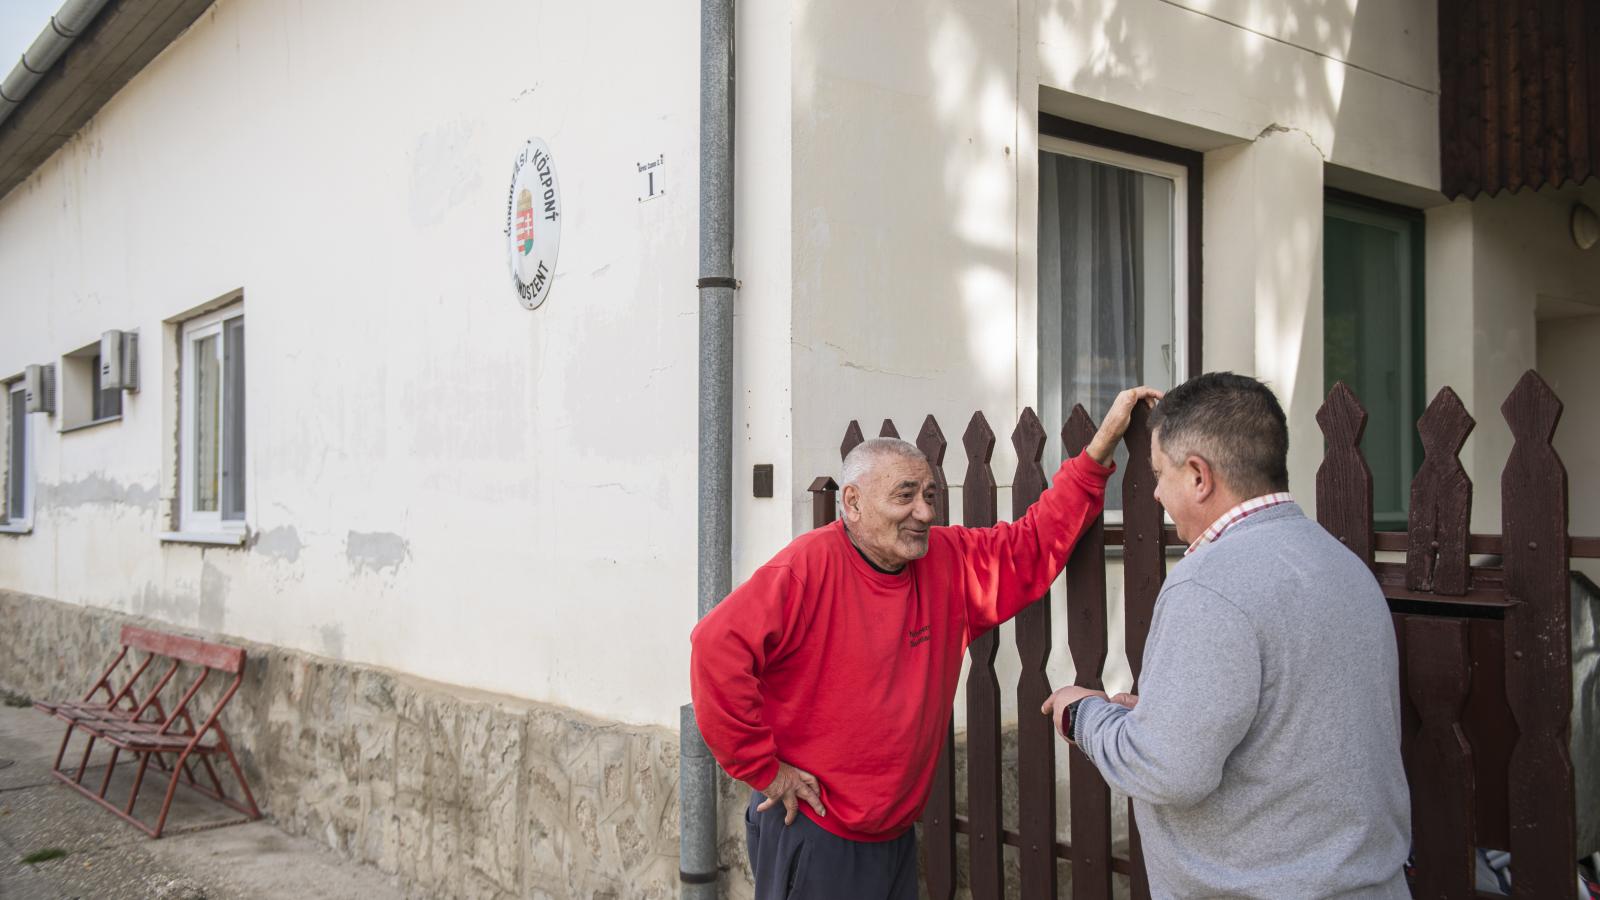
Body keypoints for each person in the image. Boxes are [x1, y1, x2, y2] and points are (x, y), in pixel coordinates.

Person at [690, 387, 1161, 900]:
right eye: (905, 495)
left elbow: (1032, 544)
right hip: (816, 830)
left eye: (930, 496)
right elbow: (715, 650)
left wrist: (1099, 449)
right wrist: (765, 769)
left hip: (892, 832)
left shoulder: (947, 560)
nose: (924, 512)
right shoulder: (807, 567)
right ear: (852, 502)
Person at [1041, 372, 1410, 899]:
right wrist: (1161, 716)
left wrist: (1084, 714)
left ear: (1198, 476)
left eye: (1157, 472)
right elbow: (1287, 720)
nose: (1154, 491)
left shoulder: (1209, 584)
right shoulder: (1340, 563)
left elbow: (1167, 771)